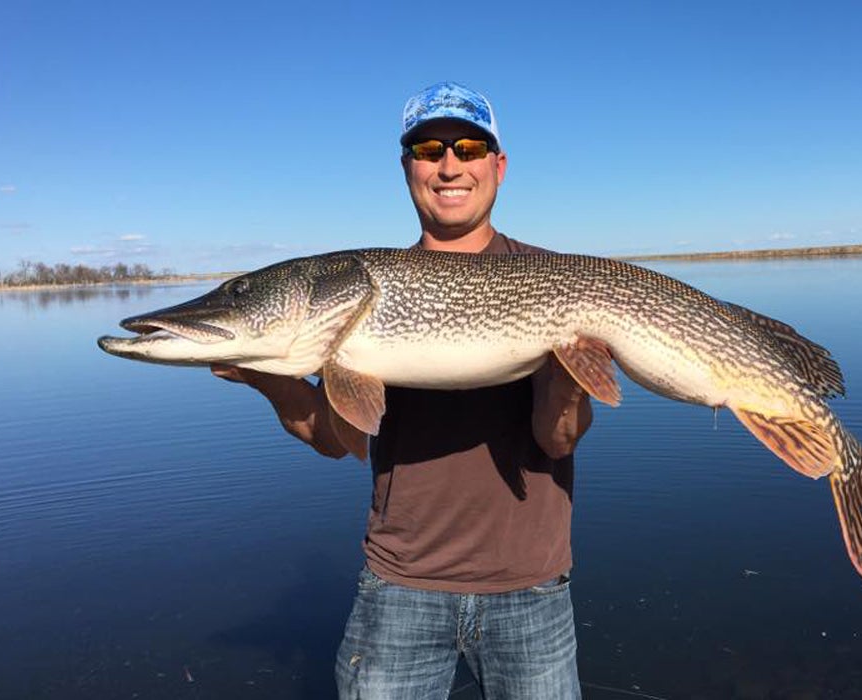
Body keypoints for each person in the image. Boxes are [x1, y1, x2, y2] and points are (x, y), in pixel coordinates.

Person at [211, 82, 591, 699]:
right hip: (401, 586)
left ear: (498, 165)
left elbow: (558, 436)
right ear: (406, 166)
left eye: (469, 147)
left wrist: (575, 377)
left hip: (530, 587)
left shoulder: (555, 277)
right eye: (427, 148)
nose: (449, 165)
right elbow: (341, 443)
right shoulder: (365, 292)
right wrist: (268, 377)